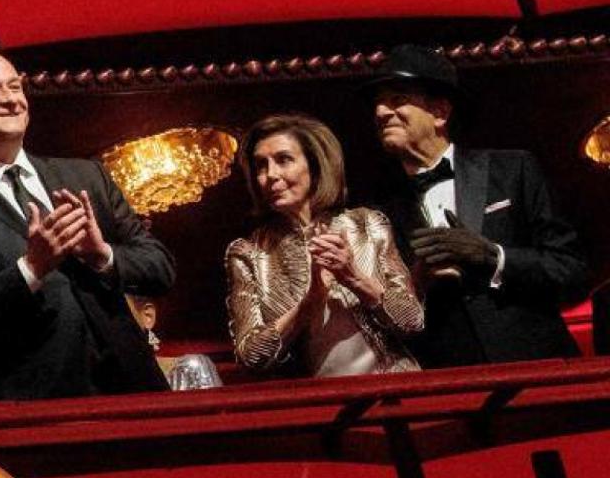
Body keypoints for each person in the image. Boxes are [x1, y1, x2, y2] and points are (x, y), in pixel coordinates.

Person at [0, 43, 175, 400]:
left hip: (137, 392)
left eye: (15, 86)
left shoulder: (87, 176)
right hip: (41, 405)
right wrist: (30, 269)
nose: (11, 99)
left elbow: (161, 269)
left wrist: (103, 255)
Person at [364, 44, 588, 368]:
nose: (381, 112)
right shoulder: (378, 210)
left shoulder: (513, 170)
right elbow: (386, 323)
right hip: (451, 380)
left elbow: (572, 272)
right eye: (378, 103)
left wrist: (493, 257)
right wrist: (418, 283)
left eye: (397, 99)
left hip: (538, 367)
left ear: (439, 113)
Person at [225, 114, 423, 377]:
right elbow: (250, 356)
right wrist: (309, 303)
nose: (270, 175)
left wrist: (354, 278)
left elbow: (413, 321)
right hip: (318, 397)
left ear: (315, 165)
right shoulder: (248, 253)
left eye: (284, 160)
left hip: (397, 385)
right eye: (261, 165)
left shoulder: (366, 224)